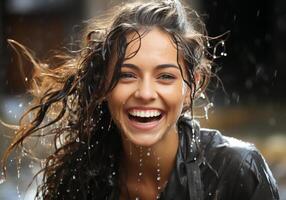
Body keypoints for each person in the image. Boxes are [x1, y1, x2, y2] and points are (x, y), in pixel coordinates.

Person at [1, 0, 280, 199]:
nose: (145, 93)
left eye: (165, 77)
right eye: (127, 76)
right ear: (102, 86)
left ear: (192, 85)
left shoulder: (237, 172)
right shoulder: (81, 178)